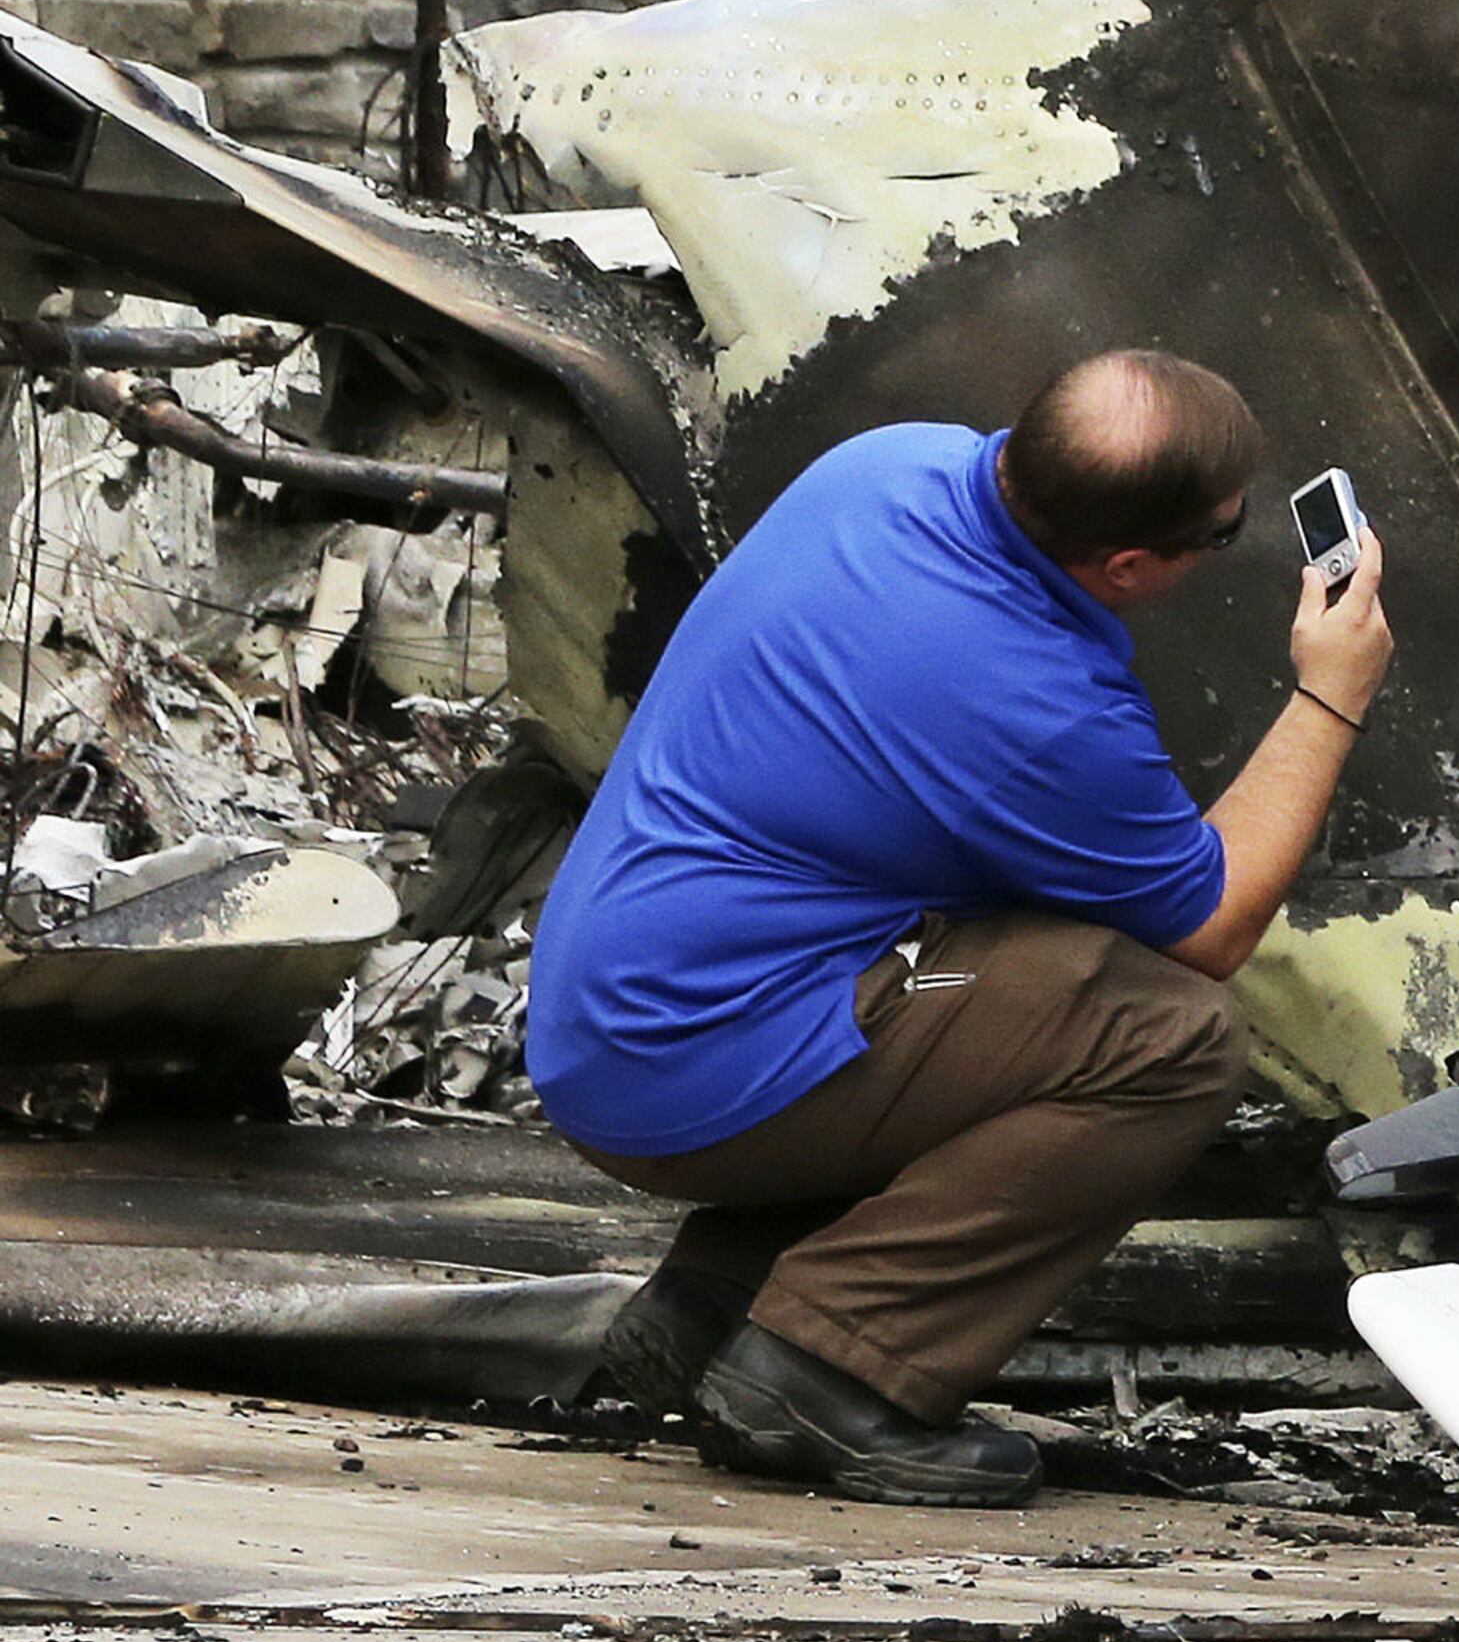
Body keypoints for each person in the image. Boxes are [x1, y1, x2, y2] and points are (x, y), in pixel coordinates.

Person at [523, 349, 1395, 1508]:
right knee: (1167, 1036)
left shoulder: (889, 465)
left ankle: (727, 1294)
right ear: (1131, 565)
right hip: (683, 1066)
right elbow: (1215, 919)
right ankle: (827, 1365)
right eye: (1221, 537)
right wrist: (1331, 693)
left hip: (621, 998)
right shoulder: (1031, 703)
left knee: (1030, 959)